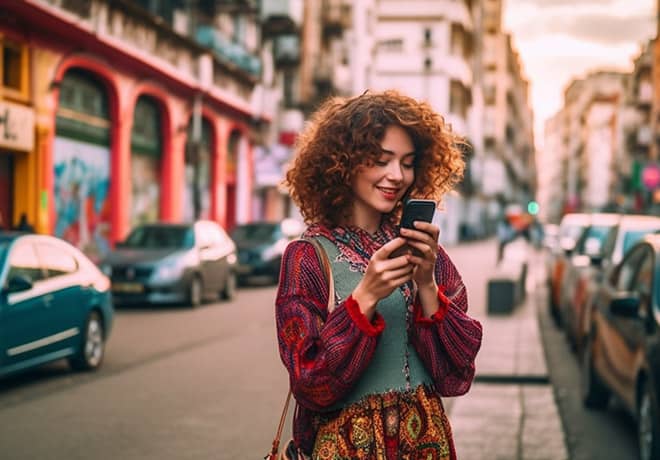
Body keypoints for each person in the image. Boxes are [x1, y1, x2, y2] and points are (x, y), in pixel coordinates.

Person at [276, 90, 483, 459]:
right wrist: (364, 298)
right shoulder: (307, 256)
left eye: (407, 162)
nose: (397, 176)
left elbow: (457, 373)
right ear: (344, 162)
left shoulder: (423, 250)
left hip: (425, 445)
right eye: (381, 160)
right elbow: (310, 384)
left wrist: (427, 285)